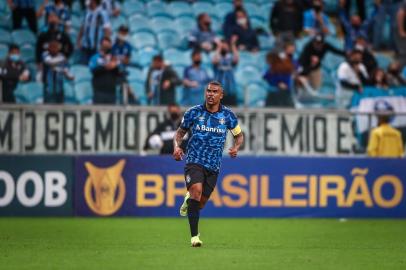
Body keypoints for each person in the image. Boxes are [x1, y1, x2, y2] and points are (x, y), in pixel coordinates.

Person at [173, 81, 244, 247]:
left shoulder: (228, 116)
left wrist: (236, 147)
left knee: (200, 203)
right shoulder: (194, 112)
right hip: (194, 160)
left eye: (214, 92)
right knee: (196, 192)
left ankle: (188, 199)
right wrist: (176, 147)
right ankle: (194, 237)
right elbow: (179, 133)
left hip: (214, 166)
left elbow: (239, 135)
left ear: (221, 95)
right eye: (208, 91)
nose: (210, 94)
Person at [77, 0, 111, 65]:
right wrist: (78, 40)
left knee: (94, 67)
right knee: (83, 68)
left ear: (94, 1)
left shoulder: (102, 13)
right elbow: (83, 27)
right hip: (85, 46)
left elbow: (107, 30)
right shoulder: (87, 12)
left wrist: (104, 47)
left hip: (97, 48)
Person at [263, 42, 297, 107]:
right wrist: (278, 83)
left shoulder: (290, 64)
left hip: (286, 92)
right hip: (274, 92)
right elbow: (267, 77)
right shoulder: (273, 67)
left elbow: (289, 78)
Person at [89, 37, 119, 104]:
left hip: (111, 91)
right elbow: (93, 70)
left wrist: (115, 66)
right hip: (99, 91)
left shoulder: (114, 58)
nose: (106, 48)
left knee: (112, 113)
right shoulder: (95, 57)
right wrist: (105, 66)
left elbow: (119, 72)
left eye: (107, 46)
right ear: (101, 46)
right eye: (104, 46)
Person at [212, 37, 239, 106]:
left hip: (230, 90)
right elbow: (215, 61)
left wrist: (233, 45)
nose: (224, 46)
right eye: (222, 45)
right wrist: (219, 47)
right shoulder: (216, 56)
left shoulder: (230, 57)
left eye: (225, 45)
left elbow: (236, 60)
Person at [395, 2, 406, 68]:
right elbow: (400, 13)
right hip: (402, 29)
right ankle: (400, 75)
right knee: (404, 54)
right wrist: (401, 30)